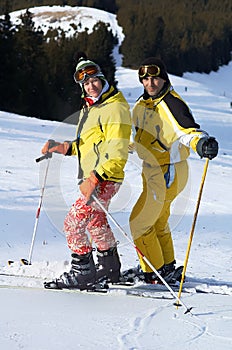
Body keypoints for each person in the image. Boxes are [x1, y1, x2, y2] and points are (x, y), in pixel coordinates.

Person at [42, 52, 131, 290]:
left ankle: (83, 272)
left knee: (73, 222)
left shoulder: (115, 107)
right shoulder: (90, 108)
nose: (91, 86)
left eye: (94, 80)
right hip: (97, 177)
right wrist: (63, 147)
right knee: (96, 222)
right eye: (86, 83)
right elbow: (89, 144)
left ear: (102, 79)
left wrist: (95, 177)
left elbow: (118, 150)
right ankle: (109, 268)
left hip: (104, 178)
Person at [129, 57, 218, 284]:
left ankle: (154, 272)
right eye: (145, 78)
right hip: (154, 170)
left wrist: (201, 143)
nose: (150, 83)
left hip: (167, 171)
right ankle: (166, 266)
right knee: (157, 221)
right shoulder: (144, 103)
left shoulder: (170, 102)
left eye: (155, 78)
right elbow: (144, 137)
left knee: (140, 222)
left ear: (164, 78)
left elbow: (188, 130)